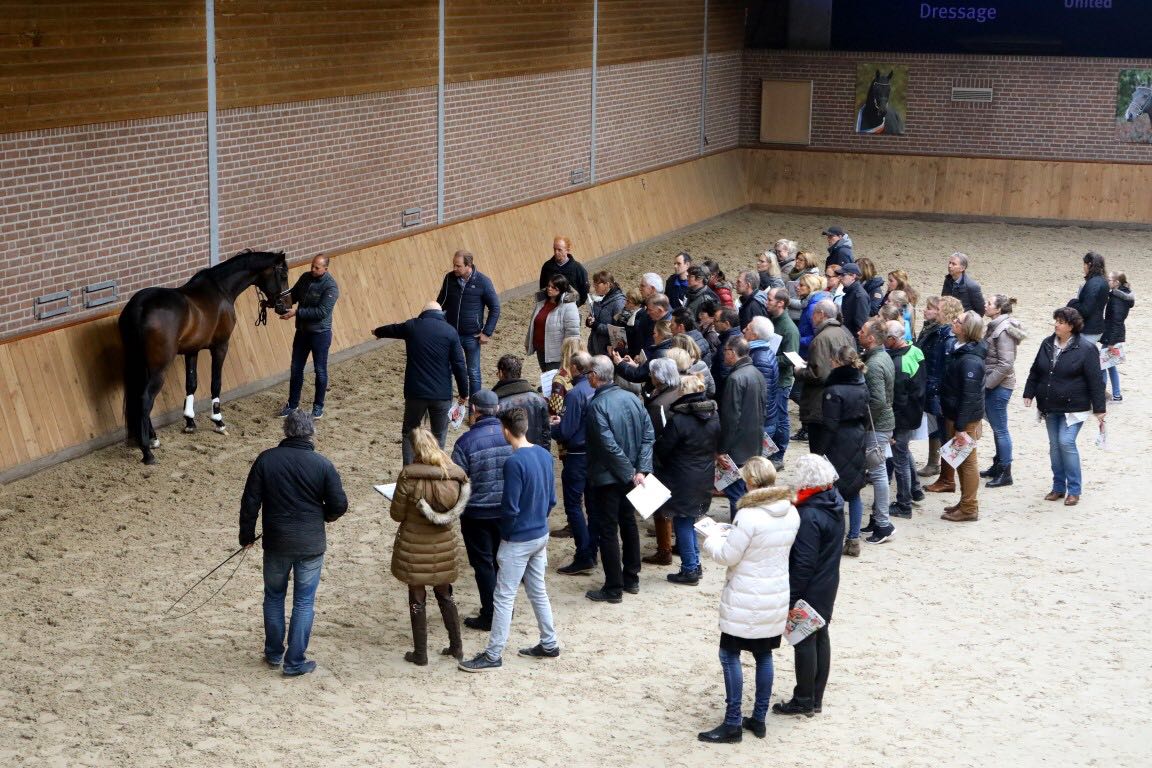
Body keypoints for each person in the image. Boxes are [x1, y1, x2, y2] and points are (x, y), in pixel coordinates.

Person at [697, 457, 799, 743]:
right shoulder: (791, 511)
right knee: (763, 655)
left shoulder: (749, 515)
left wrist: (710, 539)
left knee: (729, 654)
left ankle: (732, 722)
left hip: (746, 595)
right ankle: (759, 717)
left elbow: (728, 555)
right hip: (774, 593)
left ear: (751, 481)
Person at [239, 410, 347, 677]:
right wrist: (325, 516)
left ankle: (274, 653)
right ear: (311, 433)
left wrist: (247, 536)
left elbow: (250, 501)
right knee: (304, 602)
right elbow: (339, 505)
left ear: (286, 431)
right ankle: (295, 661)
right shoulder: (322, 464)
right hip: (310, 543)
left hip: (276, 541)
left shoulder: (266, 459)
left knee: (274, 596)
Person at [459, 408, 561, 671]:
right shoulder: (544, 454)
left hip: (519, 539)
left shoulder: (514, 462)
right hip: (540, 534)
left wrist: (506, 536)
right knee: (538, 591)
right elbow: (551, 499)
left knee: (504, 597)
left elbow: (510, 507)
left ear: (506, 431)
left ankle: (493, 655)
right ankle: (549, 643)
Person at [390, 427, 471, 665]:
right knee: (445, 594)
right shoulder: (455, 476)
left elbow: (396, 514)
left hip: (414, 546)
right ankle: (456, 647)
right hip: (443, 545)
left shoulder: (409, 476)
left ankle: (420, 654)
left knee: (417, 598)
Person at [772, 454, 844, 718]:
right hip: (828, 581)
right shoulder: (834, 500)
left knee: (803, 641)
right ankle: (815, 698)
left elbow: (803, 562)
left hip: (811, 586)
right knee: (821, 636)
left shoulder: (809, 513)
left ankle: (804, 698)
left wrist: (791, 598)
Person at [584, 355, 655, 604]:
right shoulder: (633, 398)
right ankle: (631, 578)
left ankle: (614, 586)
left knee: (608, 529)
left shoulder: (596, 406)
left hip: (609, 478)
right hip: (630, 475)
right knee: (628, 523)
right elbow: (647, 435)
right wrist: (639, 470)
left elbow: (608, 446)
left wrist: (632, 472)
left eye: (588, 374)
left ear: (595, 376)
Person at [1023, 307, 1106, 507]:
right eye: (1056, 321)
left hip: (1075, 407)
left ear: (1071, 326)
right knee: (1054, 446)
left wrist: (1099, 408)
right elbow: (1036, 370)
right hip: (1050, 403)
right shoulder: (1047, 343)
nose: (1056, 325)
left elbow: (1096, 380)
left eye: (1060, 322)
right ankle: (1058, 487)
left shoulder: (1086, 348)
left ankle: (1074, 490)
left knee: (1066, 442)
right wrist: (1029, 392)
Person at [372, 301, 468, 466]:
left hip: (415, 393)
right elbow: (459, 365)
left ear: (424, 313)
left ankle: (408, 470)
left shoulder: (412, 326)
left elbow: (392, 329)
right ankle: (436, 469)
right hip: (441, 394)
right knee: (439, 434)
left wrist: (377, 331)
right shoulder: (450, 331)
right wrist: (464, 392)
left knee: (410, 432)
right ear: (441, 314)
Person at [451, 389, 515, 632]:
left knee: (483, 564)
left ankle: (490, 614)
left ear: (474, 410)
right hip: (506, 510)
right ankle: (505, 609)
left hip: (476, 513)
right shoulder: (510, 436)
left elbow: (456, 481)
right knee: (503, 561)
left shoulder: (465, 442)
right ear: (496, 409)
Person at [654, 370, 720, 586]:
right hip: (704, 474)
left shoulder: (679, 420)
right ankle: (695, 564)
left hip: (682, 476)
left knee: (682, 520)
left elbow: (664, 449)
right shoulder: (714, 415)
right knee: (690, 519)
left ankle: (690, 568)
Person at [811, 345, 868, 557]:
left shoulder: (833, 391)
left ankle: (832, 540)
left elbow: (830, 425)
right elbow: (866, 415)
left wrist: (819, 452)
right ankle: (853, 538)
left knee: (833, 490)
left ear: (837, 362)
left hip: (838, 441)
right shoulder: (862, 384)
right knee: (854, 491)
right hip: (857, 437)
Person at [550, 352, 598, 575]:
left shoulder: (576, 393)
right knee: (593, 505)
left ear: (576, 368)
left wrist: (553, 427)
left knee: (573, 505)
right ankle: (593, 550)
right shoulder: (595, 389)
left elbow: (566, 431)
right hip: (595, 454)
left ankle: (584, 554)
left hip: (577, 455)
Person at [938, 310, 987, 522]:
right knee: (959, 459)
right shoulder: (961, 350)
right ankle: (965, 501)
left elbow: (969, 396)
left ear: (966, 329)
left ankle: (969, 507)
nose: (953, 322)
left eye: (957, 321)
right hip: (955, 414)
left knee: (967, 462)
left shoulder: (971, 361)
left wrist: (960, 426)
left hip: (964, 419)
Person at [280, 255, 339, 419]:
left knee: (320, 371)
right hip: (302, 332)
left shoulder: (331, 287)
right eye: (312, 266)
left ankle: (318, 406)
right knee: (296, 368)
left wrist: (296, 312)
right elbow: (293, 295)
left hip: (320, 334)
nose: (312, 269)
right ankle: (292, 404)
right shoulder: (305, 278)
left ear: (325, 269)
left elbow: (321, 312)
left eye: (317, 268)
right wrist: (279, 303)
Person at [436, 249, 501, 397]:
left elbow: (495, 307)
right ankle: (445, 402)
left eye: (458, 266)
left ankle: (474, 406)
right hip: (452, 334)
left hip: (472, 336)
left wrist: (487, 332)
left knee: (473, 372)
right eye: (454, 265)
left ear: (468, 265)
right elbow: (441, 302)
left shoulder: (483, 282)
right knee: (447, 369)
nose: (454, 268)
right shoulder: (449, 279)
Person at [717, 336, 766, 521]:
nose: (724, 354)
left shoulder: (735, 378)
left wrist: (722, 449)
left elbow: (730, 418)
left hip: (737, 447)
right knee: (747, 490)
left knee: (736, 493)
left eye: (725, 351)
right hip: (754, 442)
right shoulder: (757, 373)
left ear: (732, 352)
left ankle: (740, 527)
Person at [981, 295, 1027, 489]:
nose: (985, 305)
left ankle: (1005, 471)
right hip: (996, 383)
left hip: (999, 385)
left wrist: (987, 384)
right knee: (997, 427)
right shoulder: (996, 326)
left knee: (1000, 429)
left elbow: (1006, 364)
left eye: (989, 303)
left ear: (998, 309)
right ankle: (998, 464)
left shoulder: (1003, 330)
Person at [797, 299, 855, 450]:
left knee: (819, 451)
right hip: (840, 401)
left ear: (821, 314)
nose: (812, 318)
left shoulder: (821, 338)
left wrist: (799, 371)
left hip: (821, 403)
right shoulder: (844, 333)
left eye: (814, 314)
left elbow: (819, 374)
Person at [641, 357, 683, 567]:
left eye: (652, 373)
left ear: (658, 376)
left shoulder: (659, 404)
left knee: (661, 506)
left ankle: (664, 550)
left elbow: (655, 436)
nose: (650, 376)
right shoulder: (679, 392)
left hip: (663, 460)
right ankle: (678, 544)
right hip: (681, 458)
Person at [857, 319, 895, 544]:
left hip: (877, 426)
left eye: (862, 331)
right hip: (882, 424)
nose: (858, 333)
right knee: (878, 472)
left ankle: (883, 524)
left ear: (871, 338)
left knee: (879, 474)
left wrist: (863, 420)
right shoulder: (882, 357)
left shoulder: (875, 364)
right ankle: (877, 519)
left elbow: (878, 401)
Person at [884, 320, 926, 520]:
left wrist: (892, 428)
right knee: (904, 451)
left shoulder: (898, 364)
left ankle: (904, 504)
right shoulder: (915, 351)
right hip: (914, 411)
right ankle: (915, 489)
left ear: (893, 339)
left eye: (885, 337)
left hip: (902, 417)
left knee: (899, 460)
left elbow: (899, 400)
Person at [922, 296, 965, 490]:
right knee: (945, 434)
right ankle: (947, 477)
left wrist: (935, 390)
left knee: (949, 436)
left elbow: (944, 369)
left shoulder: (948, 338)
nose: (936, 312)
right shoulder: (941, 333)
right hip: (940, 391)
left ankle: (949, 478)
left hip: (944, 394)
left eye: (939, 309)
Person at [764, 287, 800, 468]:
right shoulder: (772, 321)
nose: (766, 302)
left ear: (780, 303)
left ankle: (779, 455)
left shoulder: (789, 329)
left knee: (780, 418)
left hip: (781, 381)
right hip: (771, 378)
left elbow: (791, 357)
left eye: (769, 299)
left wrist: (766, 359)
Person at [492, 354, 551, 449]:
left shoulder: (496, 404)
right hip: (535, 453)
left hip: (511, 454)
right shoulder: (538, 400)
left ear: (501, 373)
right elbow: (546, 434)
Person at [526, 274, 580, 372]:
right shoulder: (541, 303)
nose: (549, 289)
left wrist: (569, 355)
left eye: (553, 287)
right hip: (541, 350)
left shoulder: (569, 307)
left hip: (557, 355)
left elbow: (572, 334)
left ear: (561, 289)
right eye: (549, 286)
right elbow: (533, 325)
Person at [745, 316, 781, 449]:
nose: (743, 330)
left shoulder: (760, 360)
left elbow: (761, 397)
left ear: (754, 335)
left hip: (761, 424)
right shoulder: (762, 352)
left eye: (747, 329)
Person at [1100, 271, 1134, 402]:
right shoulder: (1119, 296)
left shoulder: (1116, 300)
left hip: (1112, 335)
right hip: (1113, 334)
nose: (1107, 282)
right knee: (1110, 364)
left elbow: (1117, 321)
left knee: (1102, 364)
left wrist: (1111, 342)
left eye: (1109, 280)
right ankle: (1116, 394)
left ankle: (1102, 395)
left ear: (1116, 282)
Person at [1067, 251, 1109, 345]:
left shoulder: (1093, 283)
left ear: (1089, 264)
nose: (1083, 268)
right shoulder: (1103, 281)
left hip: (1089, 330)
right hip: (1095, 327)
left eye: (1084, 265)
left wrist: (1073, 302)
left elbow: (1086, 310)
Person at [539, 235, 589, 306]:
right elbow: (543, 287)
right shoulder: (547, 267)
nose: (556, 252)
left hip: (570, 306)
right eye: (554, 249)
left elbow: (584, 289)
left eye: (559, 250)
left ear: (567, 250)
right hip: (551, 306)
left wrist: (577, 304)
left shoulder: (577, 268)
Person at [587, 270, 626, 356]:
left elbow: (619, 332)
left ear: (607, 284)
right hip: (596, 347)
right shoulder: (599, 298)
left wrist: (597, 325)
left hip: (608, 352)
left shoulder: (619, 303)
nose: (594, 287)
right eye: (594, 284)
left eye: (597, 284)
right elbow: (596, 318)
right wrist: (590, 321)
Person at [710, 307, 743, 395]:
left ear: (726, 324)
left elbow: (724, 375)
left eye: (716, 321)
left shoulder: (728, 345)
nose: (713, 323)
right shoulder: (738, 335)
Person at [838, 263, 870, 338]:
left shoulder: (860, 296)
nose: (840, 277)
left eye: (843, 275)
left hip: (853, 338)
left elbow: (860, 324)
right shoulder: (850, 291)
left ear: (853, 276)